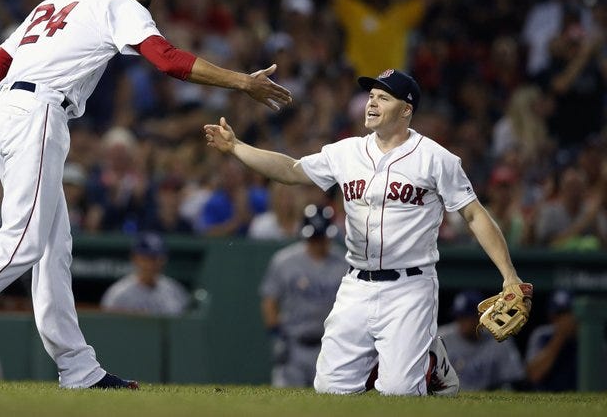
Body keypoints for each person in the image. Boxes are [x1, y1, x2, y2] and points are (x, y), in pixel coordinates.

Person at [0, 0, 292, 389]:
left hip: (6, 113)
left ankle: (78, 369)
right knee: (25, 242)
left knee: (54, 248)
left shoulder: (59, 0)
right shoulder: (121, 2)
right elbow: (165, 59)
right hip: (40, 112)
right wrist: (242, 81)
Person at [204, 69, 528, 396]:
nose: (372, 103)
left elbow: (474, 214)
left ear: (406, 110)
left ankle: (430, 363)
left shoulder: (436, 158)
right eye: (371, 96)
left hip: (410, 286)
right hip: (356, 283)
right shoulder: (346, 152)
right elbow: (291, 171)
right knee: (330, 389)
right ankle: (414, 358)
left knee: (400, 392)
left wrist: (509, 275)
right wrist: (237, 148)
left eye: (383, 98)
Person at [259, 204, 348, 387]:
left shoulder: (344, 263)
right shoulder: (284, 261)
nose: (317, 242)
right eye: (313, 237)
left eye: (320, 237)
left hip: (330, 346)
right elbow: (269, 301)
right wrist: (277, 335)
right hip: (295, 345)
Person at [437, 290, 525, 391]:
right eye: (458, 316)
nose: (461, 322)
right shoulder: (441, 337)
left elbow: (514, 379)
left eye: (466, 317)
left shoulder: (499, 338)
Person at [100, 232, 190, 316]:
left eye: (156, 258)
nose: (152, 264)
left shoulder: (174, 290)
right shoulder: (118, 294)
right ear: (135, 258)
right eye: (147, 258)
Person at [525, 289, 578, 391]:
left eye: (568, 314)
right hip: (545, 399)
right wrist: (559, 337)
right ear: (551, 316)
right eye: (559, 314)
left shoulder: (589, 337)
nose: (564, 320)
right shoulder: (542, 335)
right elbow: (533, 375)